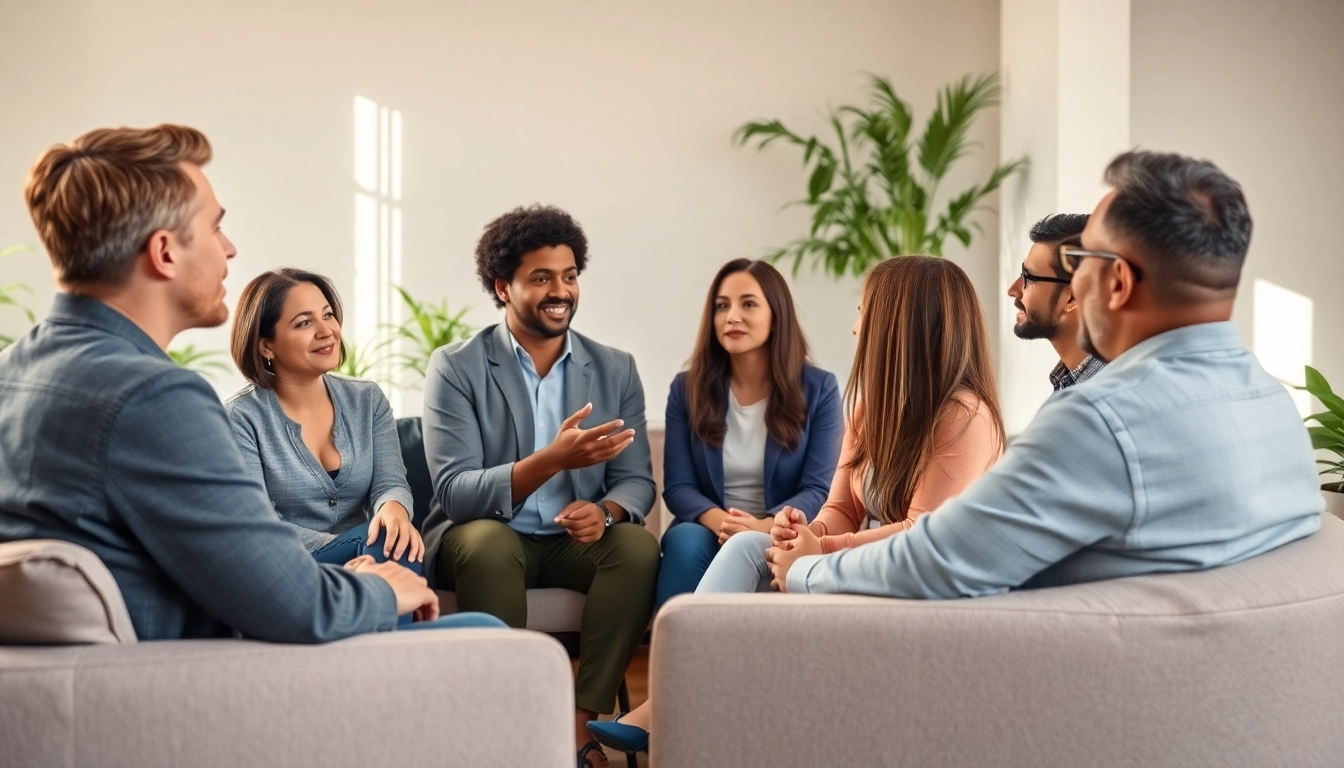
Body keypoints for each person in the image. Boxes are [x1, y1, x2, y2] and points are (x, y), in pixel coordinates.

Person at [0, 124, 503, 643]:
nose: (230, 249)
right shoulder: (153, 397)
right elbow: (295, 605)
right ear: (165, 252)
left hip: (104, 678)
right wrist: (380, 589)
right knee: (498, 644)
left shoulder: (12, 372)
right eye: (215, 228)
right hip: (208, 675)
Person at [768, 150, 1324, 599]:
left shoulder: (1100, 419)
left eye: (1084, 266)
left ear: (1118, 283)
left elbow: (940, 559)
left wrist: (806, 572)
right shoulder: (1272, 405)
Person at [588, 255, 1004, 754]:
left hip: (920, 577)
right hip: (867, 559)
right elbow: (842, 506)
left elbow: (922, 532)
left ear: (902, 324)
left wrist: (818, 547)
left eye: (864, 312)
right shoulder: (875, 405)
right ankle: (672, 703)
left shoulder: (964, 415)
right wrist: (796, 530)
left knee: (758, 567)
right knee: (747, 547)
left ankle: (678, 709)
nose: (855, 328)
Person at [420, 204, 661, 768]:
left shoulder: (615, 368)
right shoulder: (456, 366)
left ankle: (582, 726)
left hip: (570, 543)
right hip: (483, 537)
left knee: (636, 547)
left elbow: (636, 483)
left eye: (570, 275)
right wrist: (550, 461)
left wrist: (606, 513)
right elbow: (455, 492)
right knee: (489, 545)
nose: (561, 290)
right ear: (503, 287)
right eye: (542, 277)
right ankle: (508, 726)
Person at [655, 258, 843, 608]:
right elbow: (679, 487)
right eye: (722, 306)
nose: (732, 316)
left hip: (782, 528)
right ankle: (675, 655)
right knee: (684, 542)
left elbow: (818, 488)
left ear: (776, 316)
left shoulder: (820, 389)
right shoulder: (687, 389)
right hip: (710, 526)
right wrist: (726, 523)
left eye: (749, 304)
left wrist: (763, 526)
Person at [225, 269, 424, 581]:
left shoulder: (367, 400)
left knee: (395, 539)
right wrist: (348, 548)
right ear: (266, 346)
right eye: (304, 323)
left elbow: (390, 483)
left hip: (367, 554)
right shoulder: (241, 417)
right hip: (286, 567)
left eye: (328, 315)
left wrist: (393, 510)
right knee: (385, 544)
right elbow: (258, 522)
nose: (327, 330)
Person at [1008, 213, 1106, 390]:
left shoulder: (1102, 399)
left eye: (1028, 277)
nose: (1013, 290)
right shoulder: (1068, 383)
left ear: (1071, 298)